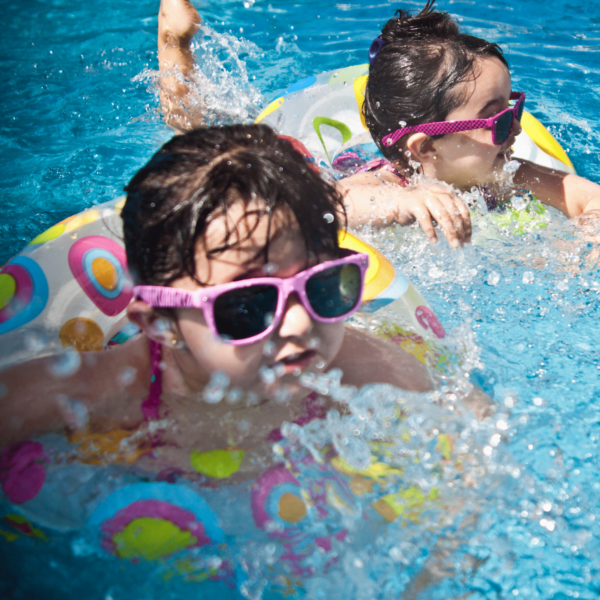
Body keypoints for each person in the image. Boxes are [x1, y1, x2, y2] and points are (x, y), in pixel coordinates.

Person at [0, 124, 441, 475]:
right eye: (247, 307)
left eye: (323, 286)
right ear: (159, 322)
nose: (298, 324)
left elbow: (468, 453)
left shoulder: (366, 372)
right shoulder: (99, 395)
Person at [156, 0, 600, 248]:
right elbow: (331, 207)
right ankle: (175, 45)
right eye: (497, 121)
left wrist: (584, 244)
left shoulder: (504, 173)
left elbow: (586, 198)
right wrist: (404, 205)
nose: (517, 132)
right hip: (327, 166)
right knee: (203, 144)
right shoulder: (388, 187)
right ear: (426, 149)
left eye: (514, 109)